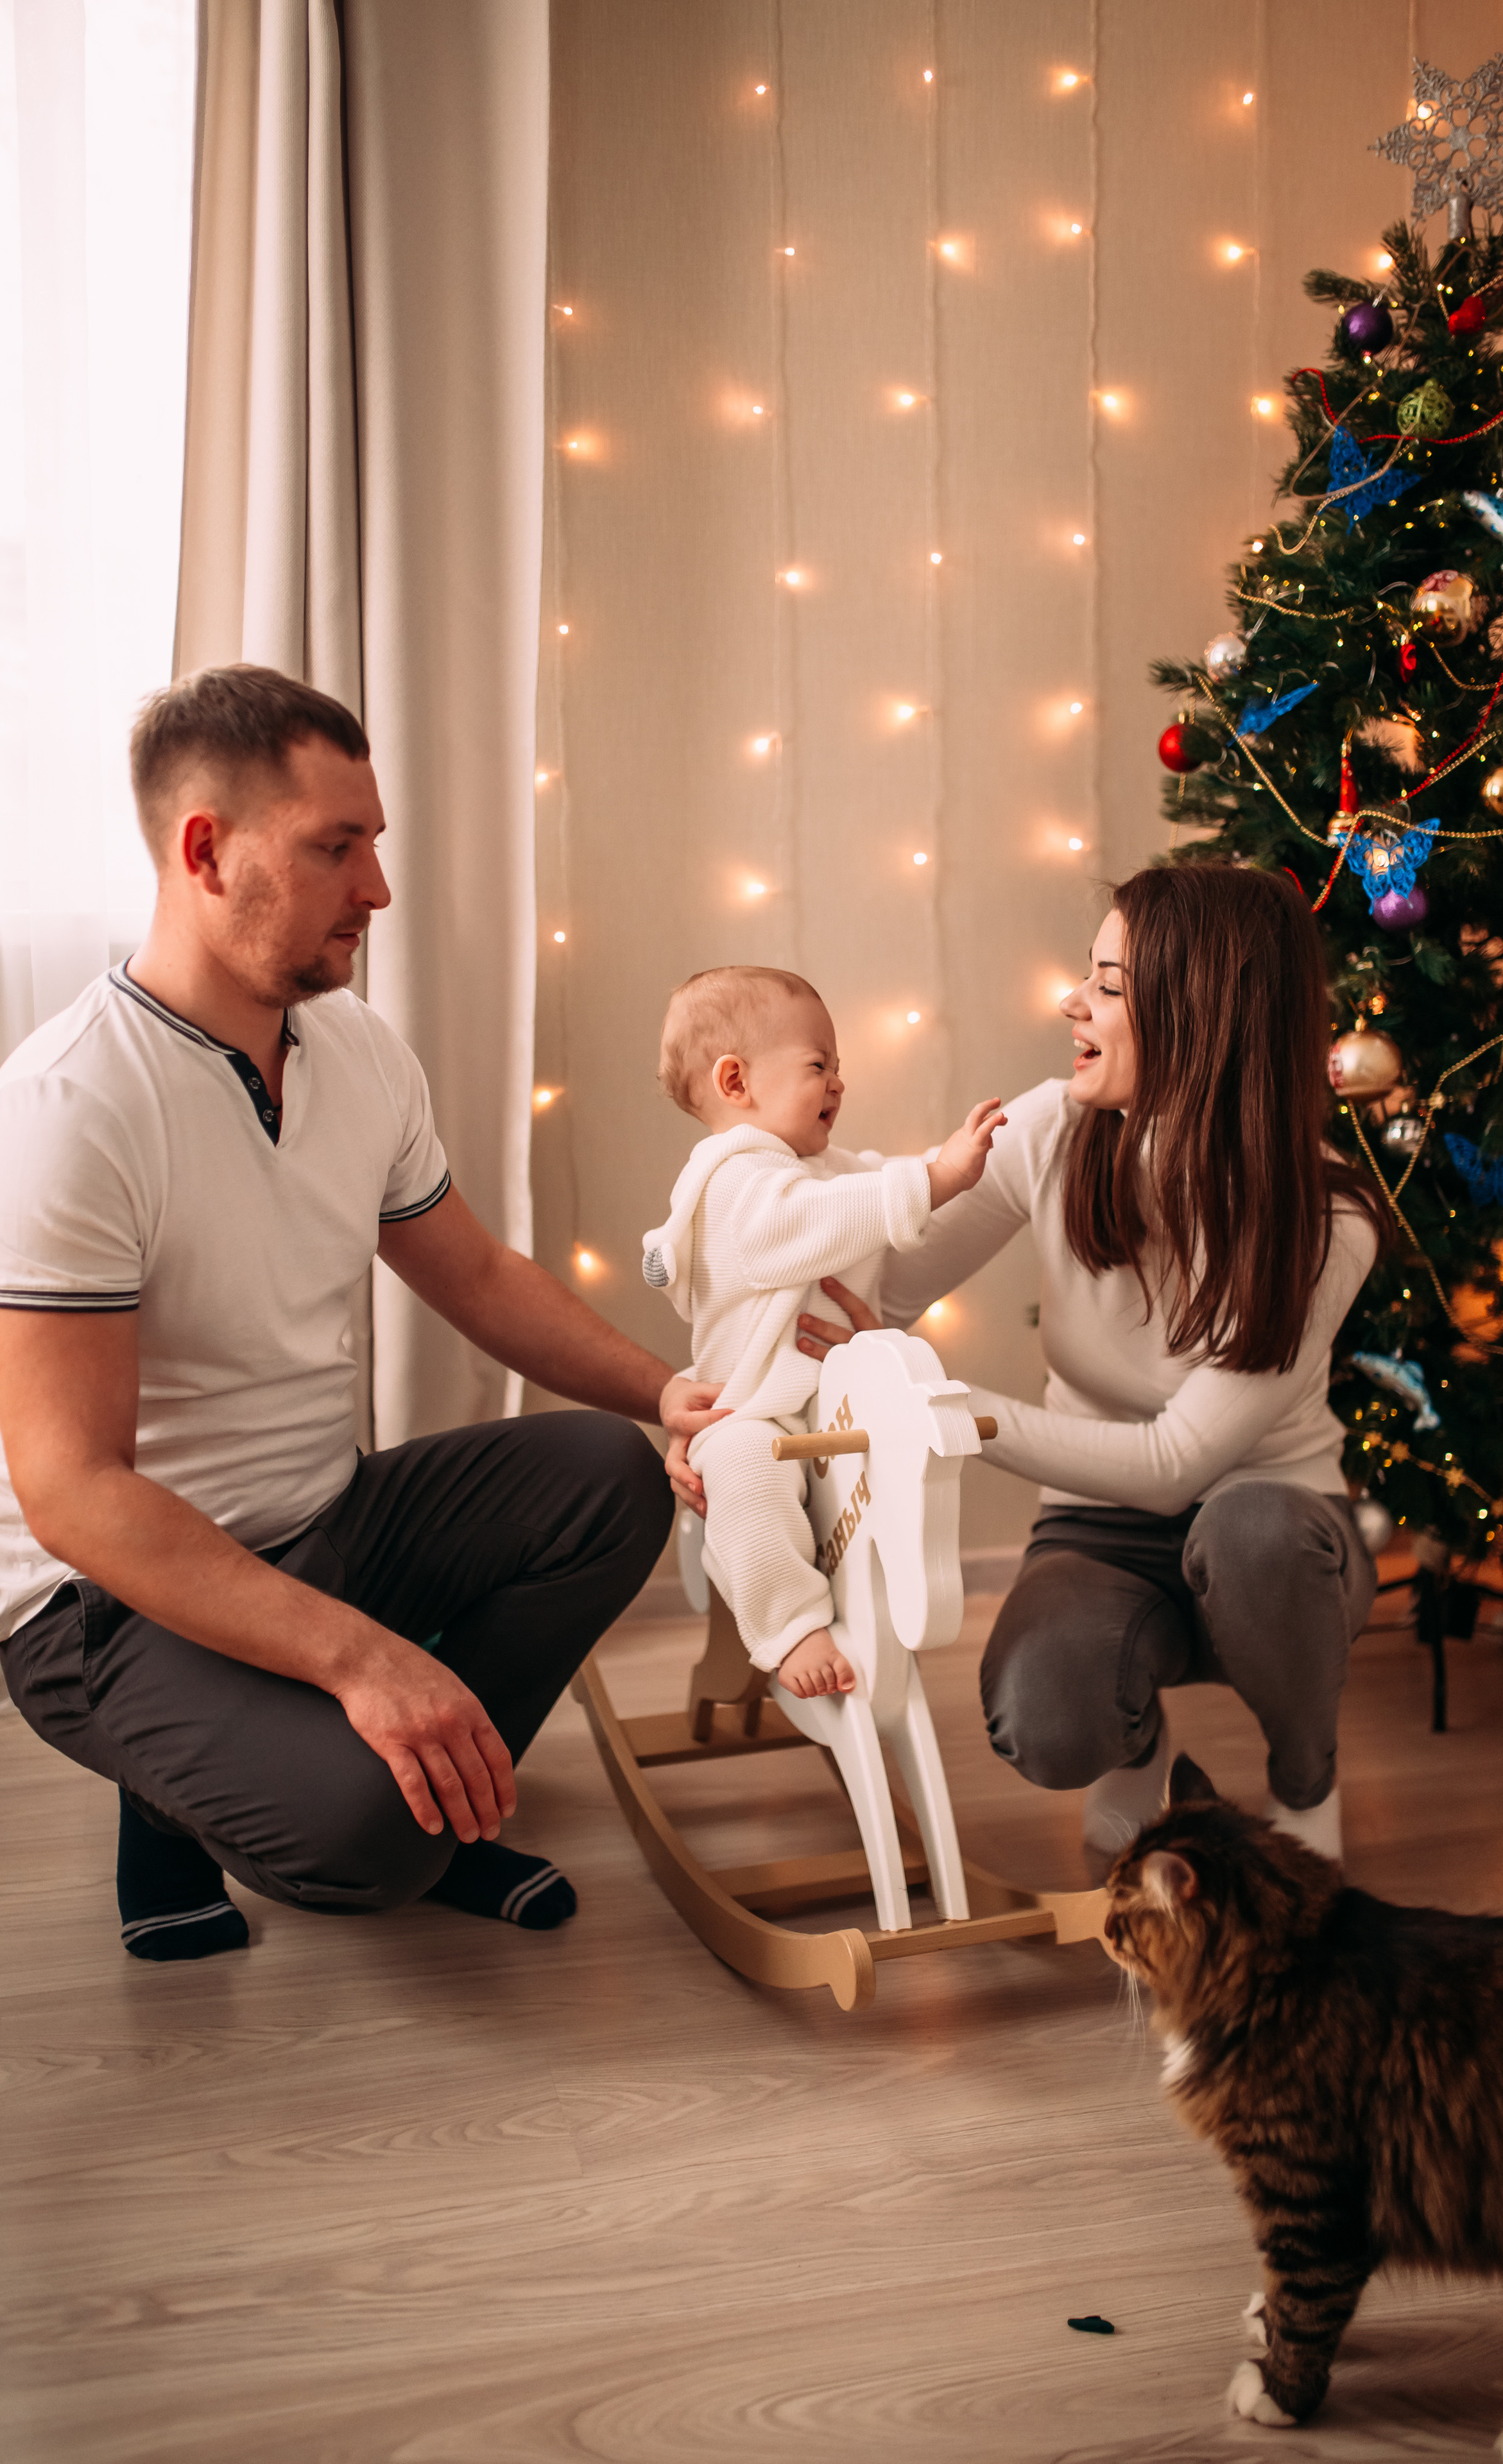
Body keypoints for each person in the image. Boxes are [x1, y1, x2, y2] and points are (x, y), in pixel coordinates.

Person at [0, 665, 722, 1962]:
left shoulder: (360, 1055)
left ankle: (433, 1791)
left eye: (373, 845)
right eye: (337, 849)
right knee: (363, 1846)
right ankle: (231, 1798)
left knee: (610, 1478)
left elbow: (479, 1278)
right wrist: (362, 1661)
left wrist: (667, 1394)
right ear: (206, 851)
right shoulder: (68, 1111)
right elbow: (72, 1492)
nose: (376, 892)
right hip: (105, 1603)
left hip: (324, 1523)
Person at [675, 864, 1391, 1872]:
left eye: (1106, 984)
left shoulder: (1329, 1222)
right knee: (1045, 1713)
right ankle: (1135, 1748)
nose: (1072, 1002)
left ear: (1201, 1016)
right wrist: (729, 1411)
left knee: (1252, 1529)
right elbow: (869, 1294)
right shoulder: (1053, 1129)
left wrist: (949, 1411)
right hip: (1099, 1533)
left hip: (1276, 1532)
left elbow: (1178, 1463)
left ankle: (1304, 1775)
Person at [644, 964, 1004, 1697]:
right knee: (742, 1466)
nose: (838, 1082)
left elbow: (868, 1180)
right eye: (818, 1065)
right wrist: (936, 1179)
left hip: (824, 1411)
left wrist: (935, 1166)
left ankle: (882, 1608)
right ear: (736, 1081)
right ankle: (790, 1627)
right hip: (752, 1411)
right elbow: (819, 1220)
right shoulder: (737, 1183)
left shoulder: (814, 1168)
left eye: (838, 1067)